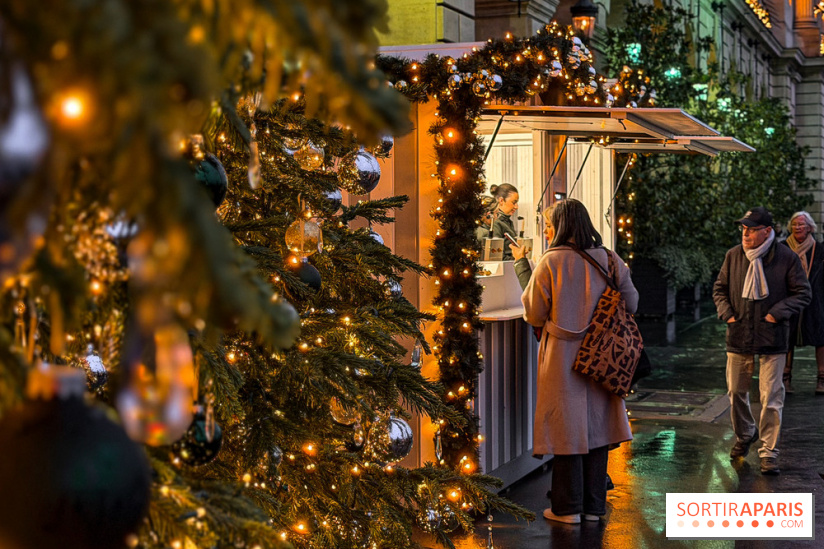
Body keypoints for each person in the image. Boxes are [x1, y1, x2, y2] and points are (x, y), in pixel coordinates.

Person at [521, 198, 637, 524]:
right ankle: (593, 508)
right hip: (603, 355)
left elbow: (533, 311)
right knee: (599, 429)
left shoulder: (550, 261)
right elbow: (632, 302)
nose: (546, 231)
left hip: (562, 355)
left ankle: (566, 508)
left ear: (561, 226)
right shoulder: (610, 259)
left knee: (565, 429)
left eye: (548, 224)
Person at [712, 206, 811, 475]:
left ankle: (769, 451)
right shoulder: (733, 256)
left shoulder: (785, 257)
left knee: (771, 397)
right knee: (736, 392)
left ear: (767, 231)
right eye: (743, 228)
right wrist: (728, 315)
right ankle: (745, 435)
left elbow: (803, 293)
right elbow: (719, 289)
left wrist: (775, 314)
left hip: (773, 336)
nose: (746, 233)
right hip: (739, 333)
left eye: (752, 229)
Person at [782, 211, 824, 394]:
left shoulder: (820, 249)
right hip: (789, 299)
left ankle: (822, 379)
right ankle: (785, 378)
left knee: (821, 337)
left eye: (802, 224)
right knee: (786, 337)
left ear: (810, 228)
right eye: (795, 224)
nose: (798, 227)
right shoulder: (782, 248)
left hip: (815, 300)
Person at [490, 183, 519, 260]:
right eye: (514, 202)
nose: (516, 207)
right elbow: (497, 256)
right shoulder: (496, 223)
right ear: (501, 200)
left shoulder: (508, 222)